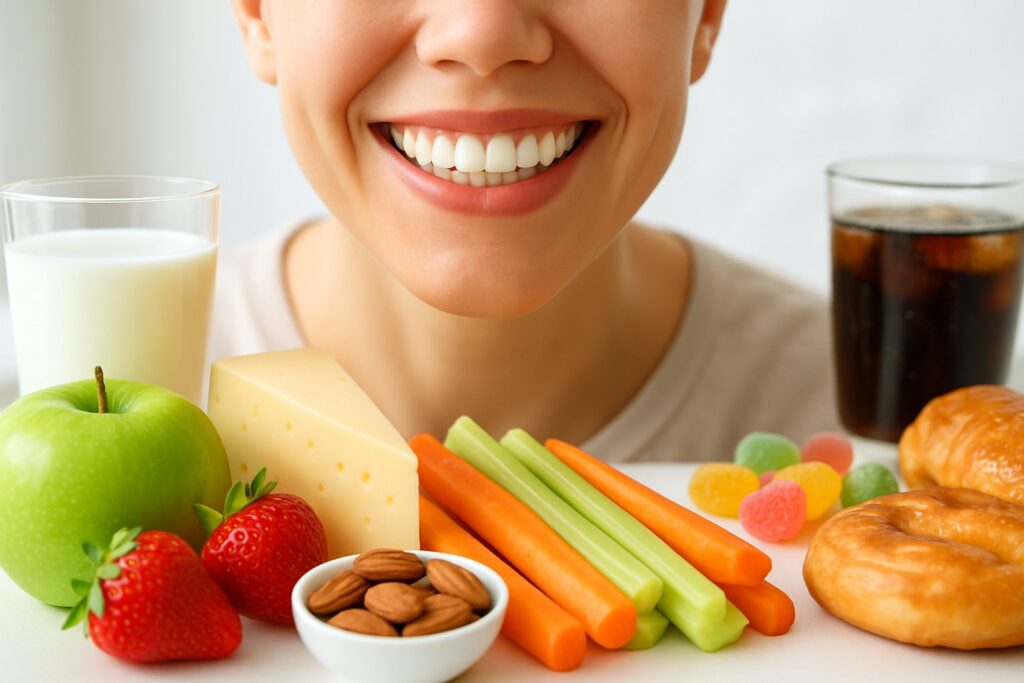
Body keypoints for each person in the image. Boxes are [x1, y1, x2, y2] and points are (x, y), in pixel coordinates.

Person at [215, 0, 838, 462]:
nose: (482, 34)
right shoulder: (132, 368)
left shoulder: (872, 425)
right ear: (257, 15)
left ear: (706, 15)